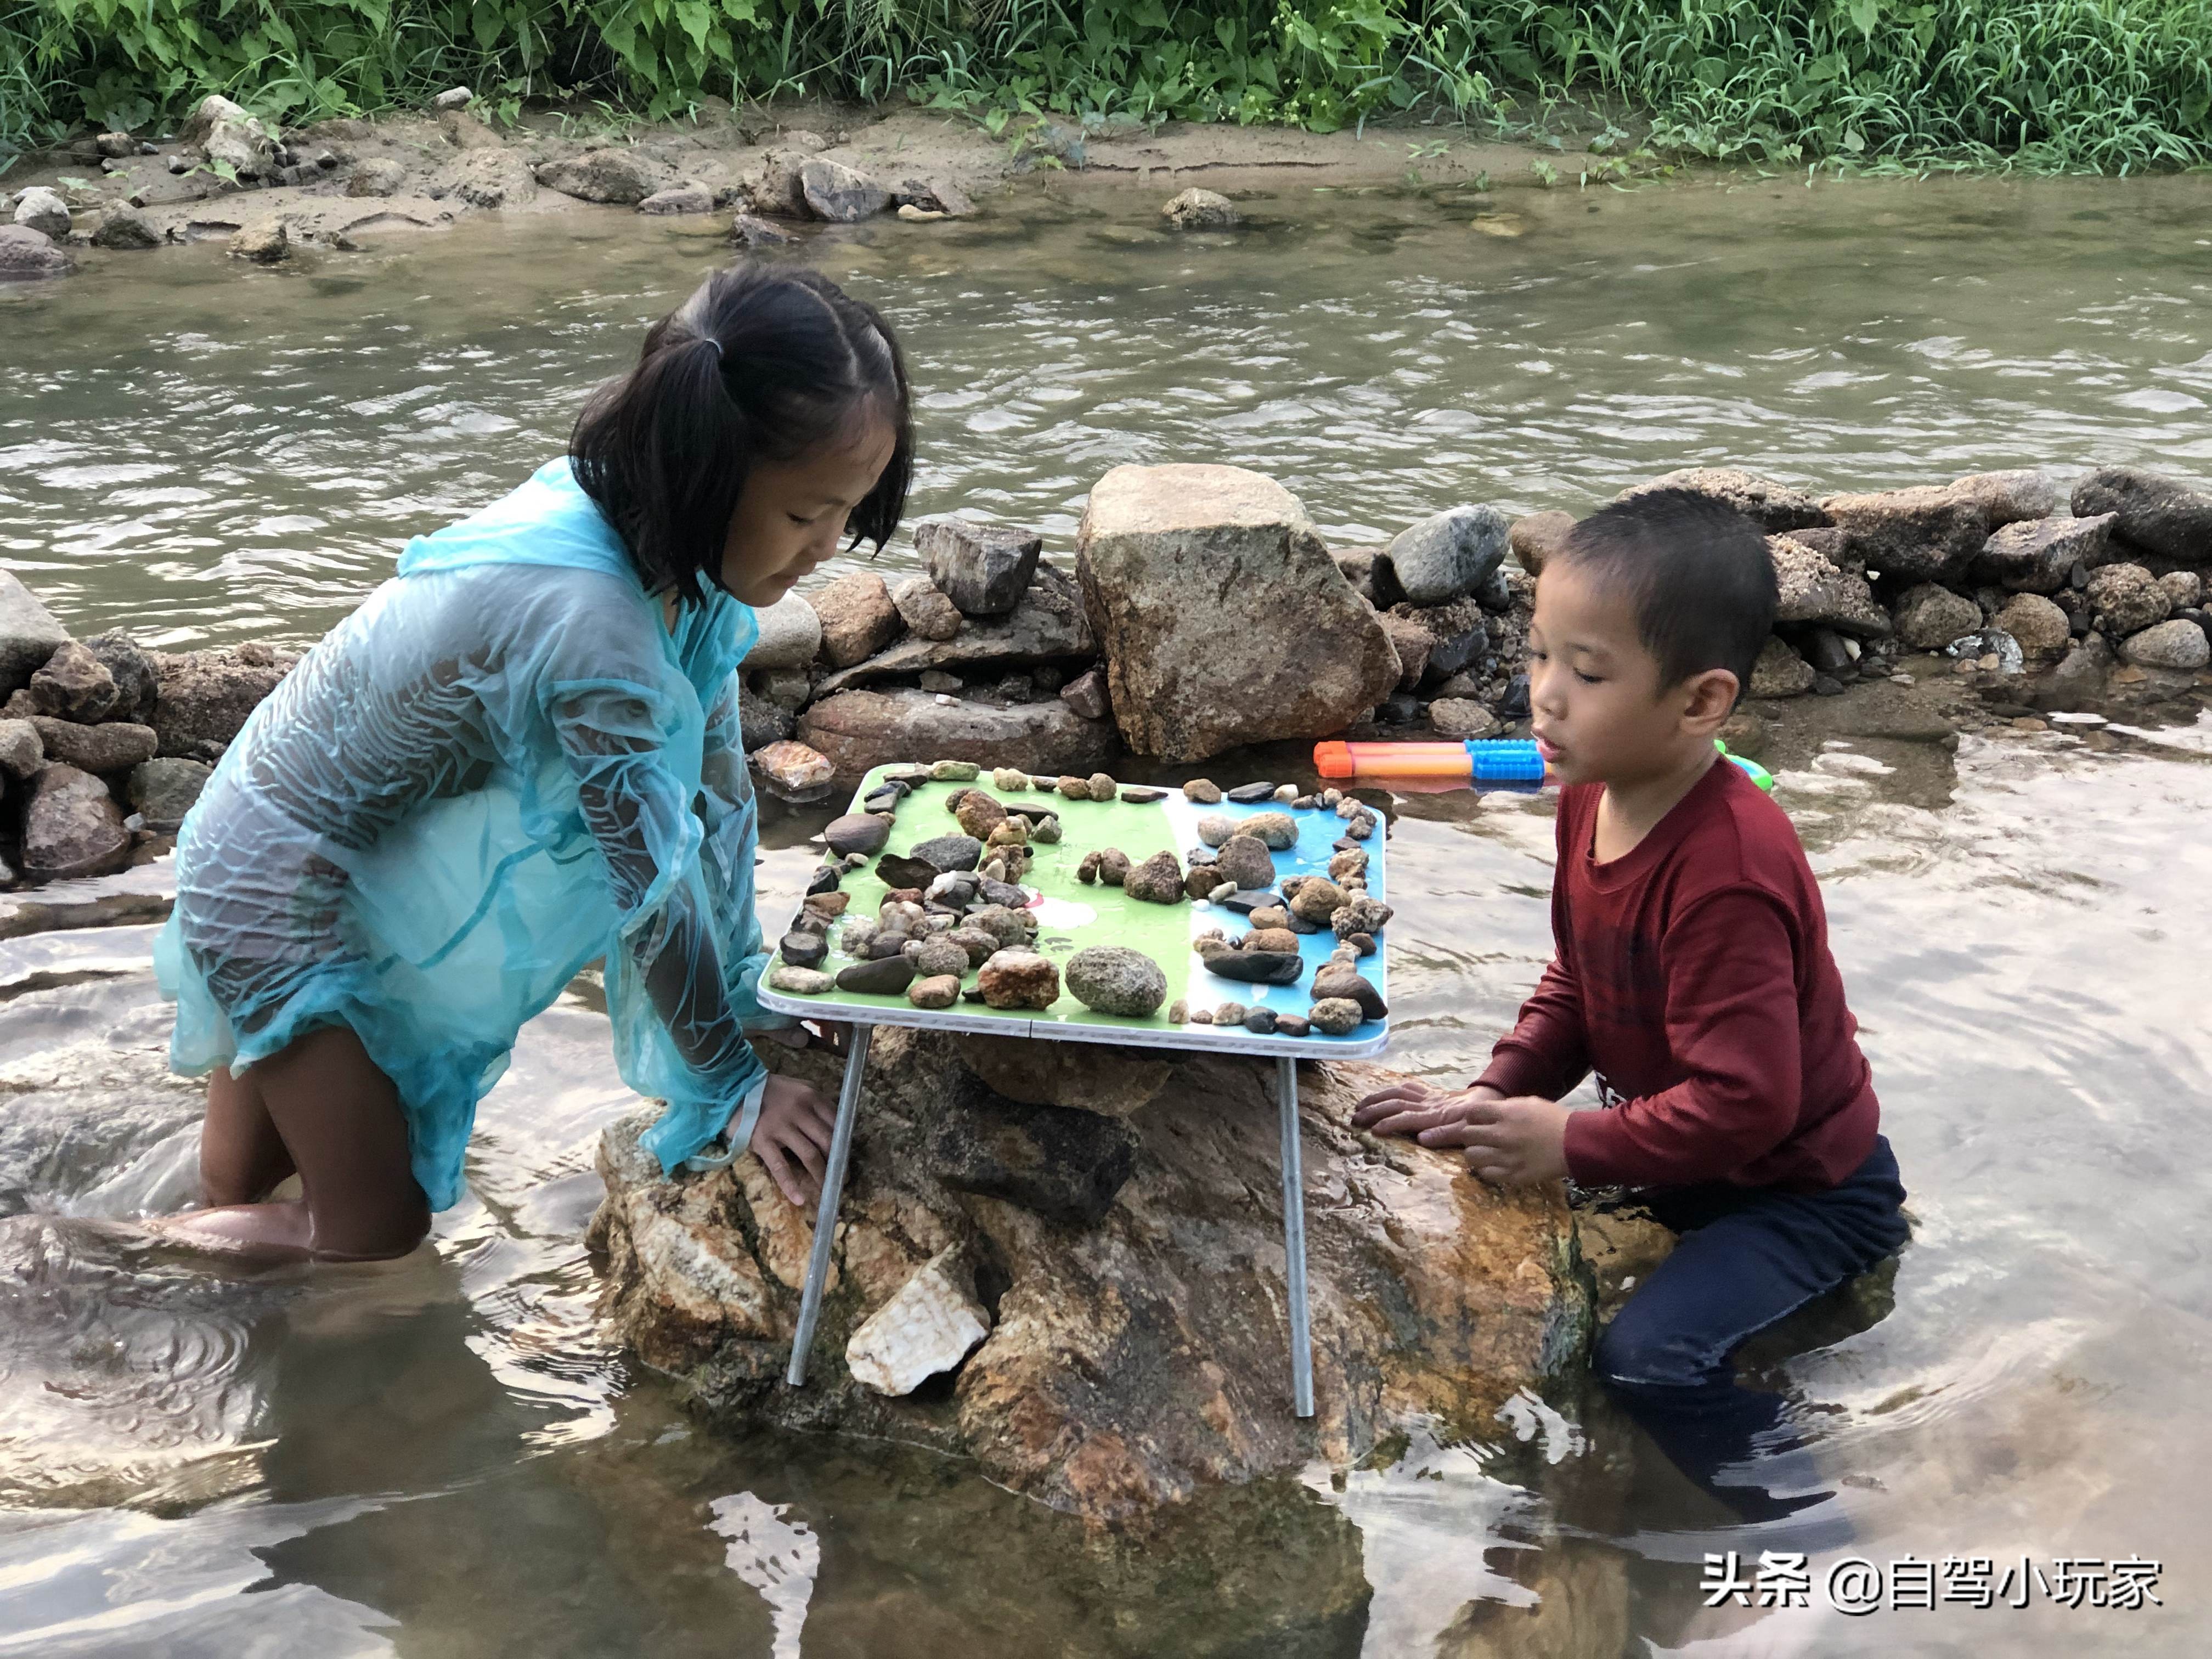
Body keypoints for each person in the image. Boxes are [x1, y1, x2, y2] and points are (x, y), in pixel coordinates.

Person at [154, 262, 913, 1263]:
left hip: (292, 837)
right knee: (372, 1233)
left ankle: (222, 1331)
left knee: (244, 1184)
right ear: (705, 469)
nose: (828, 549)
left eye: (846, 515)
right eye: (805, 514)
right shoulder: (592, 623)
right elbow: (651, 883)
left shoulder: (663, 547)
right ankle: (69, 1260)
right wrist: (731, 1084)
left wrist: (742, 994)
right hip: (277, 884)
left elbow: (717, 803)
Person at [1353, 488, 1909, 1521]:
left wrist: (1572, 1141)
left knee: (1646, 1358)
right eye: (1539, 658)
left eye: (1589, 672)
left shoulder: (1729, 870)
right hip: (1693, 1164)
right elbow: (1579, 981)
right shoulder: (1588, 794)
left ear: (1701, 703)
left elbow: (1750, 1104)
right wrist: (1493, 1094)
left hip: (1800, 1195)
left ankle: (1806, 1525)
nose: (1545, 698)